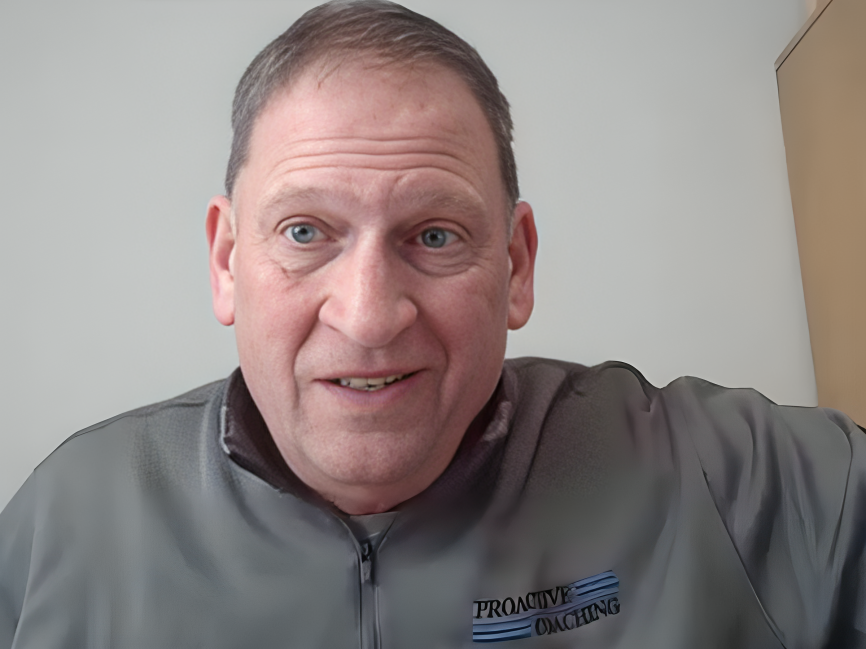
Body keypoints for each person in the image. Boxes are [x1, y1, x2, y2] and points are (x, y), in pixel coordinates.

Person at [1, 1, 864, 647]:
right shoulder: (66, 523)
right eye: (306, 232)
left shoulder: (725, 477)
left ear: (517, 266)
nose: (370, 316)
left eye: (435, 235)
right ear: (228, 261)